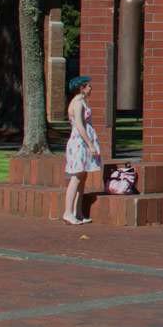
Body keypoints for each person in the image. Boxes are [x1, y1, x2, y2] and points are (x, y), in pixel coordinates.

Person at [62, 76, 100, 225]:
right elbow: (79, 125)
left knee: (82, 177)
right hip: (79, 143)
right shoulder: (77, 103)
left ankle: (78, 211)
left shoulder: (82, 102)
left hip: (83, 143)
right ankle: (68, 212)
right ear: (82, 88)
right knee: (76, 177)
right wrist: (90, 144)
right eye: (88, 86)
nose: (91, 88)